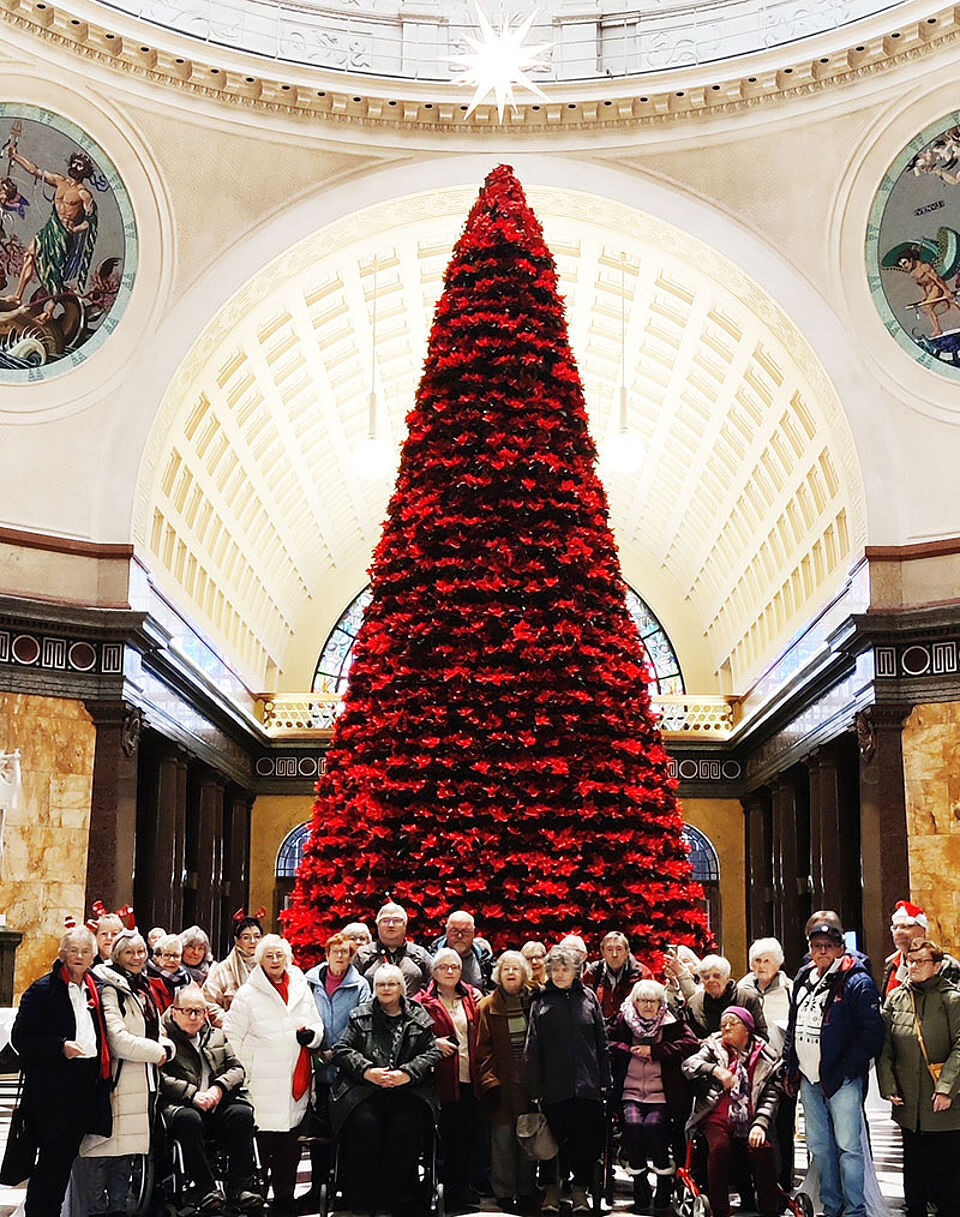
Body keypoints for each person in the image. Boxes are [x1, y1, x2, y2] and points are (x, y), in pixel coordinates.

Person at [783, 911, 884, 1217]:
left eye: (829, 945)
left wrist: (844, 1071)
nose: (823, 951)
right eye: (817, 946)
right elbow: (793, 1025)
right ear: (810, 949)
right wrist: (790, 1067)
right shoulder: (803, 977)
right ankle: (832, 1206)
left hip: (842, 1079)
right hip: (809, 1077)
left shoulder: (857, 981)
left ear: (841, 948)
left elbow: (871, 1034)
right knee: (819, 1146)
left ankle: (854, 1210)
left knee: (848, 1147)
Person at [11, 926, 112, 1217]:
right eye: (73, 950)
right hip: (51, 1089)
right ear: (62, 954)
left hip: (85, 1086)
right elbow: (21, 1039)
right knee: (50, 1161)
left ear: (93, 957)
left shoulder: (98, 989)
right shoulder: (43, 990)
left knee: (65, 1160)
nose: (79, 956)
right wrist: (60, 1046)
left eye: (85, 951)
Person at [331, 963, 442, 1217]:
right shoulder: (360, 1016)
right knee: (364, 1127)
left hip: (408, 1091)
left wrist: (406, 1074)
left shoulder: (418, 1016)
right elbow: (342, 1050)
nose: (386, 989)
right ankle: (361, 1200)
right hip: (365, 1091)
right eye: (381, 984)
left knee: (404, 1128)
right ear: (374, 988)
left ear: (401, 988)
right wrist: (368, 1071)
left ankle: (390, 1202)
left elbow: (432, 1051)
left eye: (392, 984)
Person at [223, 934, 324, 1214]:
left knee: (290, 1145)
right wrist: (242, 1073)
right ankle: (255, 1197)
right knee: (262, 1144)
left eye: (279, 955)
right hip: (260, 1082)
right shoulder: (247, 993)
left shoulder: (301, 986)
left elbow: (317, 1024)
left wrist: (313, 1036)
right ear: (260, 959)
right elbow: (231, 1036)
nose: (275, 960)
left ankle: (284, 1200)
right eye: (269, 955)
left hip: (293, 1080)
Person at [80, 929, 175, 1212]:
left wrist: (165, 1046)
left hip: (141, 1083)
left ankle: (119, 1210)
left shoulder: (141, 986)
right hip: (117, 1082)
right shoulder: (109, 986)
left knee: (126, 1157)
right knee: (102, 1155)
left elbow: (155, 1030)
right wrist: (158, 1052)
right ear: (116, 955)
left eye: (141, 952)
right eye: (129, 953)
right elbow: (117, 1039)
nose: (136, 957)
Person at [160, 984, 264, 1211]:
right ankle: (206, 1189)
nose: (193, 1017)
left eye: (198, 1011)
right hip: (183, 1105)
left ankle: (241, 1188)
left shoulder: (216, 1035)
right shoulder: (165, 1040)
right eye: (187, 1011)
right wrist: (192, 1094)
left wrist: (218, 1088)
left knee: (242, 1114)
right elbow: (161, 1078)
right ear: (175, 1012)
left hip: (217, 1104)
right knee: (188, 1119)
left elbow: (237, 1069)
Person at [877, 938, 960, 1217]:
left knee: (948, 1173)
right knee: (914, 1170)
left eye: (921, 962)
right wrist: (889, 1085)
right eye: (910, 961)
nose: (913, 966)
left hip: (945, 1104)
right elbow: (885, 1046)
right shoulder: (897, 998)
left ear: (937, 966)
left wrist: (946, 1088)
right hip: (909, 1103)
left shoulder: (952, 999)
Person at [524, 945, 610, 1214]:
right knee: (551, 1143)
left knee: (584, 1141)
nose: (560, 974)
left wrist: (604, 1079)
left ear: (576, 971)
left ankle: (579, 1191)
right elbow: (532, 1046)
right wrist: (535, 1087)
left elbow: (601, 1040)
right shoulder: (540, 1000)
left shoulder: (588, 997)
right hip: (553, 1085)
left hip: (587, 1085)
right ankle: (552, 1190)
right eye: (555, 969)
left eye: (565, 969)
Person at [682, 1007, 782, 1217]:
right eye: (723, 1024)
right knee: (719, 1147)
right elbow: (689, 1064)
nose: (726, 1028)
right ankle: (719, 1209)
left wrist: (761, 1123)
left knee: (762, 1149)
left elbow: (771, 1095)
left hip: (750, 1119)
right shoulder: (713, 1046)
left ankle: (769, 1209)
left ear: (747, 1029)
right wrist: (715, 1070)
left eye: (732, 1023)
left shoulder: (767, 1056)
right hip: (715, 1118)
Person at [609, 979, 698, 1213]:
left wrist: (655, 1051)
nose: (648, 1006)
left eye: (653, 1001)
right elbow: (605, 1041)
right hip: (630, 1091)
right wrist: (627, 1049)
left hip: (662, 1093)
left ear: (661, 1003)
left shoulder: (670, 1021)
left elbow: (691, 1043)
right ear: (635, 1002)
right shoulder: (623, 1020)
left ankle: (663, 1178)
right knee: (632, 1125)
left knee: (653, 1126)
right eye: (643, 1001)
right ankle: (639, 1181)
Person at [303, 931, 371, 1195]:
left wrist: (337, 1051)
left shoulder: (360, 985)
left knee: (347, 1130)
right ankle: (318, 1186)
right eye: (336, 952)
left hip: (347, 1070)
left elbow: (362, 1021)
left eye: (345, 952)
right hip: (316, 1065)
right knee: (319, 1133)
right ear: (327, 954)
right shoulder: (309, 982)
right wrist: (316, 1049)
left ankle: (345, 1186)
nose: (340, 956)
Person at [416, 947, 484, 1208]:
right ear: (434, 972)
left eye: (454, 967)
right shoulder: (422, 1001)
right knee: (444, 1136)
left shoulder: (472, 997)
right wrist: (433, 1043)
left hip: (468, 1076)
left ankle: (461, 1189)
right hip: (439, 1079)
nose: (449, 971)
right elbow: (413, 1035)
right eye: (443, 967)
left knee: (466, 1135)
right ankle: (440, 1189)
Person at [476, 951, 539, 1213]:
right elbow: (483, 1049)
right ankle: (503, 1192)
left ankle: (527, 1190)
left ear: (524, 973)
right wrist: (489, 1082)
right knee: (501, 1140)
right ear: (498, 974)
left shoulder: (534, 1002)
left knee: (528, 1138)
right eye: (506, 969)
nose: (511, 973)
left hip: (529, 1082)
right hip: (501, 1082)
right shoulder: (487, 1006)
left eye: (516, 968)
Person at [739, 938, 795, 1191]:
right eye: (757, 960)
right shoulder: (741, 989)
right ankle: (755, 1180)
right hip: (750, 1069)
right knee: (752, 1123)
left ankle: (783, 1182)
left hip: (781, 1067)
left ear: (778, 963)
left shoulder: (790, 990)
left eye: (766, 961)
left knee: (783, 1124)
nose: (761, 966)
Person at [353, 901, 433, 996]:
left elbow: (434, 985)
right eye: (385, 920)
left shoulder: (420, 954)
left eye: (396, 920)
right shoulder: (363, 954)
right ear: (378, 925)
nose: (391, 925)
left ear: (405, 925)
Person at [881, 900, 960, 995]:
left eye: (905, 927)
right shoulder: (891, 963)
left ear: (922, 930)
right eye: (895, 928)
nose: (898, 932)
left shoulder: (946, 965)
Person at [680, 955, 767, 1040]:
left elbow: (761, 1035)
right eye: (706, 977)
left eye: (716, 976)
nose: (711, 980)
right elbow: (689, 1039)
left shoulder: (748, 999)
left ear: (727, 978)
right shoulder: (694, 1004)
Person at [204, 913, 263, 1026]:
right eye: (246, 937)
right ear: (237, 940)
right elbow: (208, 1002)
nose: (253, 941)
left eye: (257, 937)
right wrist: (230, 1022)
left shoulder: (269, 967)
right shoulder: (223, 969)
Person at [582, 931, 653, 1025]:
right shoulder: (593, 974)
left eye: (619, 949)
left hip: (632, 1029)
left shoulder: (642, 975)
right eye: (609, 949)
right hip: (602, 1029)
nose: (614, 954)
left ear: (627, 952)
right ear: (603, 952)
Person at [432, 910, 495, 993]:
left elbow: (494, 990)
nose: (459, 936)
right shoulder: (432, 956)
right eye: (454, 930)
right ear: (446, 931)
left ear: (473, 933)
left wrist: (484, 997)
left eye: (466, 931)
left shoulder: (484, 956)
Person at [147, 933, 192, 1013]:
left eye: (176, 955)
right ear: (156, 958)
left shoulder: (188, 980)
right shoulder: (147, 982)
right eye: (166, 955)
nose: (172, 960)